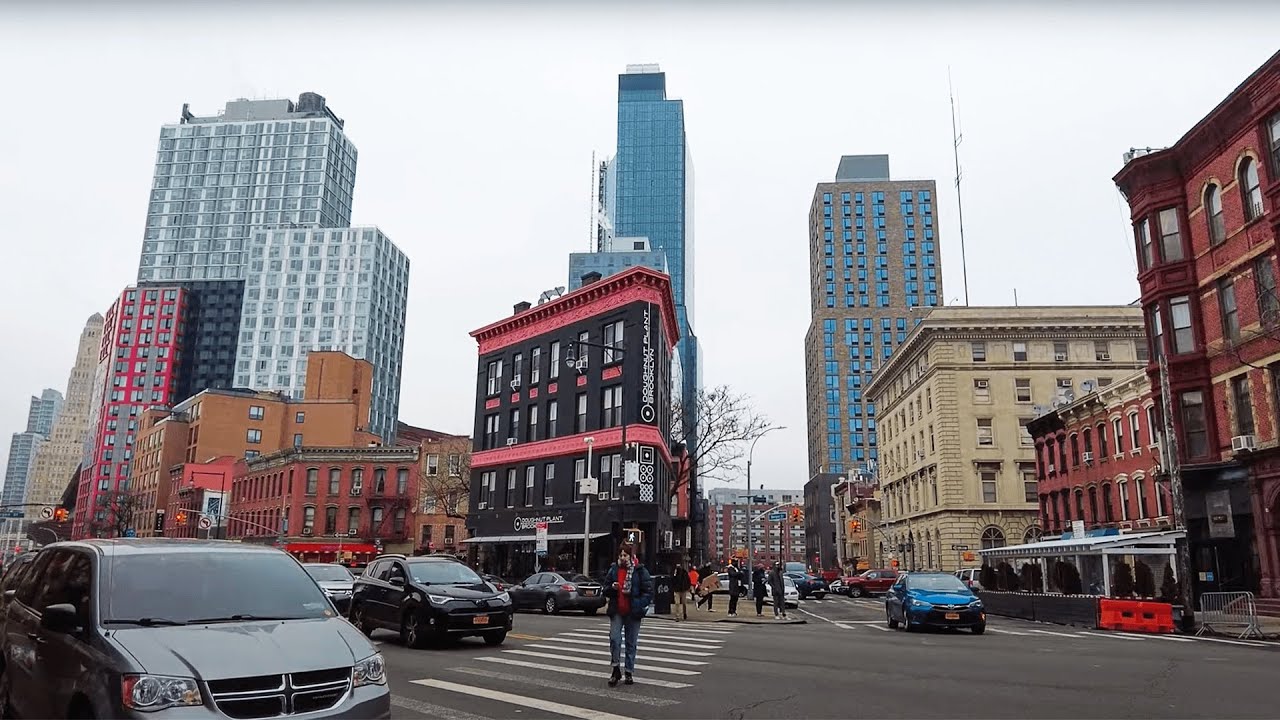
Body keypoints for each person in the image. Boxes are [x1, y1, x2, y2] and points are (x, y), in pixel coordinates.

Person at [603, 542, 652, 687]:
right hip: (617, 609)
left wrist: (637, 602)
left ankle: (629, 671)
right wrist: (612, 588)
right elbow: (605, 588)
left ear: (631, 556)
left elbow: (648, 592)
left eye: (625, 555)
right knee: (614, 638)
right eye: (621, 555)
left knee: (631, 643)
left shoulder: (640, 570)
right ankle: (616, 668)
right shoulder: (614, 570)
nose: (623, 557)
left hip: (633, 611)